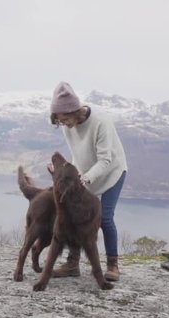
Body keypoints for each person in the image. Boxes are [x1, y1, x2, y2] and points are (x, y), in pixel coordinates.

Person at [47, 81, 128, 281]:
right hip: (85, 175)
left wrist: (87, 178)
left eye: (65, 118)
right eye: (59, 120)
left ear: (75, 110)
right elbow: (77, 155)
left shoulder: (101, 121)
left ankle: (112, 264)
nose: (64, 123)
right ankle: (72, 264)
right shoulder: (68, 127)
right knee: (74, 217)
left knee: (105, 217)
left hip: (111, 172)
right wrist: (71, 174)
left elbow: (106, 160)